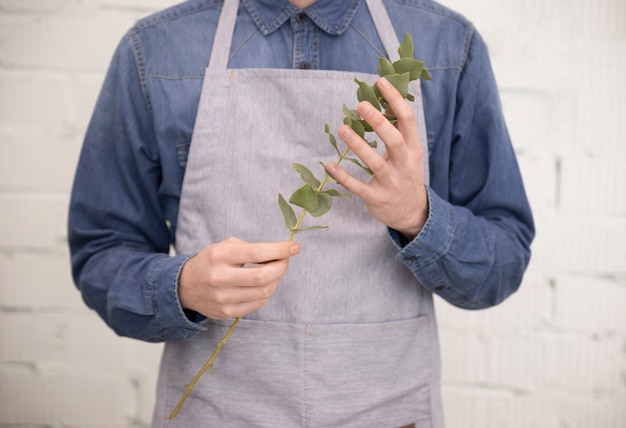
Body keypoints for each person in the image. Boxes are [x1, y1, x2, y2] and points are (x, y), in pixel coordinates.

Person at [68, 0, 534, 426]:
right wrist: (181, 287)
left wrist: (419, 216)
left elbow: (503, 261)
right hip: (215, 413)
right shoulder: (156, 51)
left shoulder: (448, 46)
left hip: (390, 413)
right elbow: (101, 252)